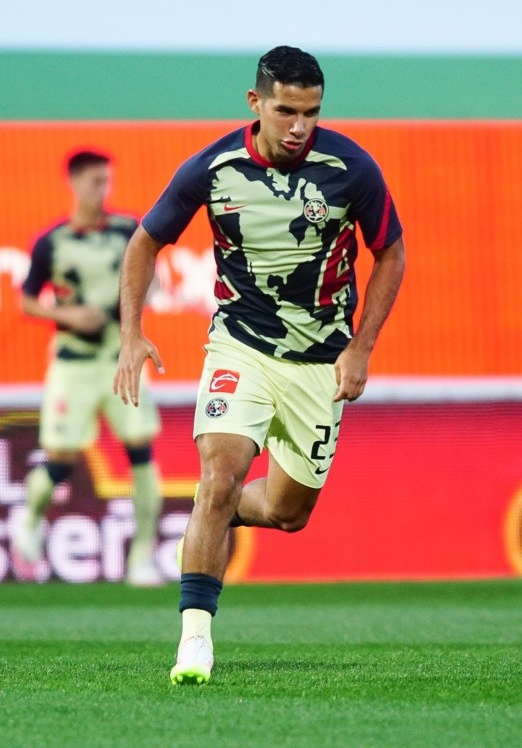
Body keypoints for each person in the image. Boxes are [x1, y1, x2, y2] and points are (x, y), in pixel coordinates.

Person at [114, 46, 405, 683]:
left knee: (286, 513)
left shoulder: (351, 168)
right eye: (285, 110)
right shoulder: (213, 167)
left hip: (320, 364)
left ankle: (212, 510)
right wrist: (131, 333)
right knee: (219, 476)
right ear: (256, 104)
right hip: (239, 345)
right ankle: (194, 639)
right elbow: (145, 241)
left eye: (311, 112)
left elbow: (391, 253)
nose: (299, 125)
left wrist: (362, 346)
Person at [13, 149, 164, 587]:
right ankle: (30, 519)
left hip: (121, 359)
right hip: (73, 364)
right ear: (75, 183)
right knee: (61, 458)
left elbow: (151, 275)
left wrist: (138, 298)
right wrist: (70, 315)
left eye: (108, 182)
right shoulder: (53, 242)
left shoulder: (127, 230)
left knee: (141, 450)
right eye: (96, 182)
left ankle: (140, 558)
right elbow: (26, 300)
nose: (104, 190)